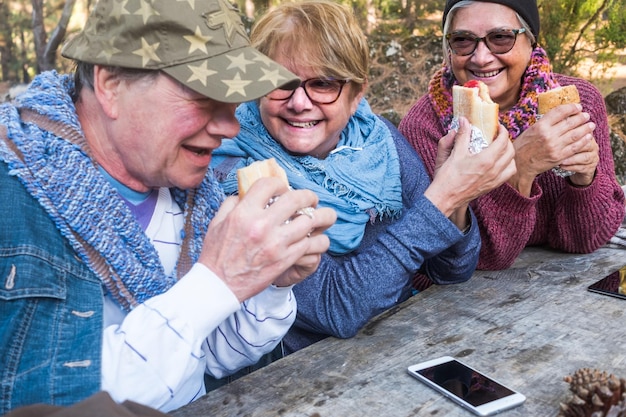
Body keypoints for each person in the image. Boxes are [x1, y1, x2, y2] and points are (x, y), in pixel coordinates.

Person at [0, 0, 337, 413]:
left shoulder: (194, 194)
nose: (230, 126)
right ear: (110, 85)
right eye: (203, 95)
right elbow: (56, 399)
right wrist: (217, 282)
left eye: (232, 100)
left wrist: (270, 282)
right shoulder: (15, 194)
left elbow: (210, 356)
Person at [211, 0, 516, 354]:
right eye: (280, 82)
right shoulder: (238, 171)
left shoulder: (377, 139)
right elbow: (335, 307)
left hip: (396, 350)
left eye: (323, 84)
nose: (299, 102)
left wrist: (457, 197)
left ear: (356, 94)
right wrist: (442, 197)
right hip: (298, 379)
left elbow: (454, 268)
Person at [399, 0, 626, 270]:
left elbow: (586, 239)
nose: (481, 57)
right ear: (448, 49)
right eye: (462, 40)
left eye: (501, 38)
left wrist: (585, 179)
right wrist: (519, 168)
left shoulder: (578, 103)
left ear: (531, 42)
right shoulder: (425, 127)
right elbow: (476, 260)